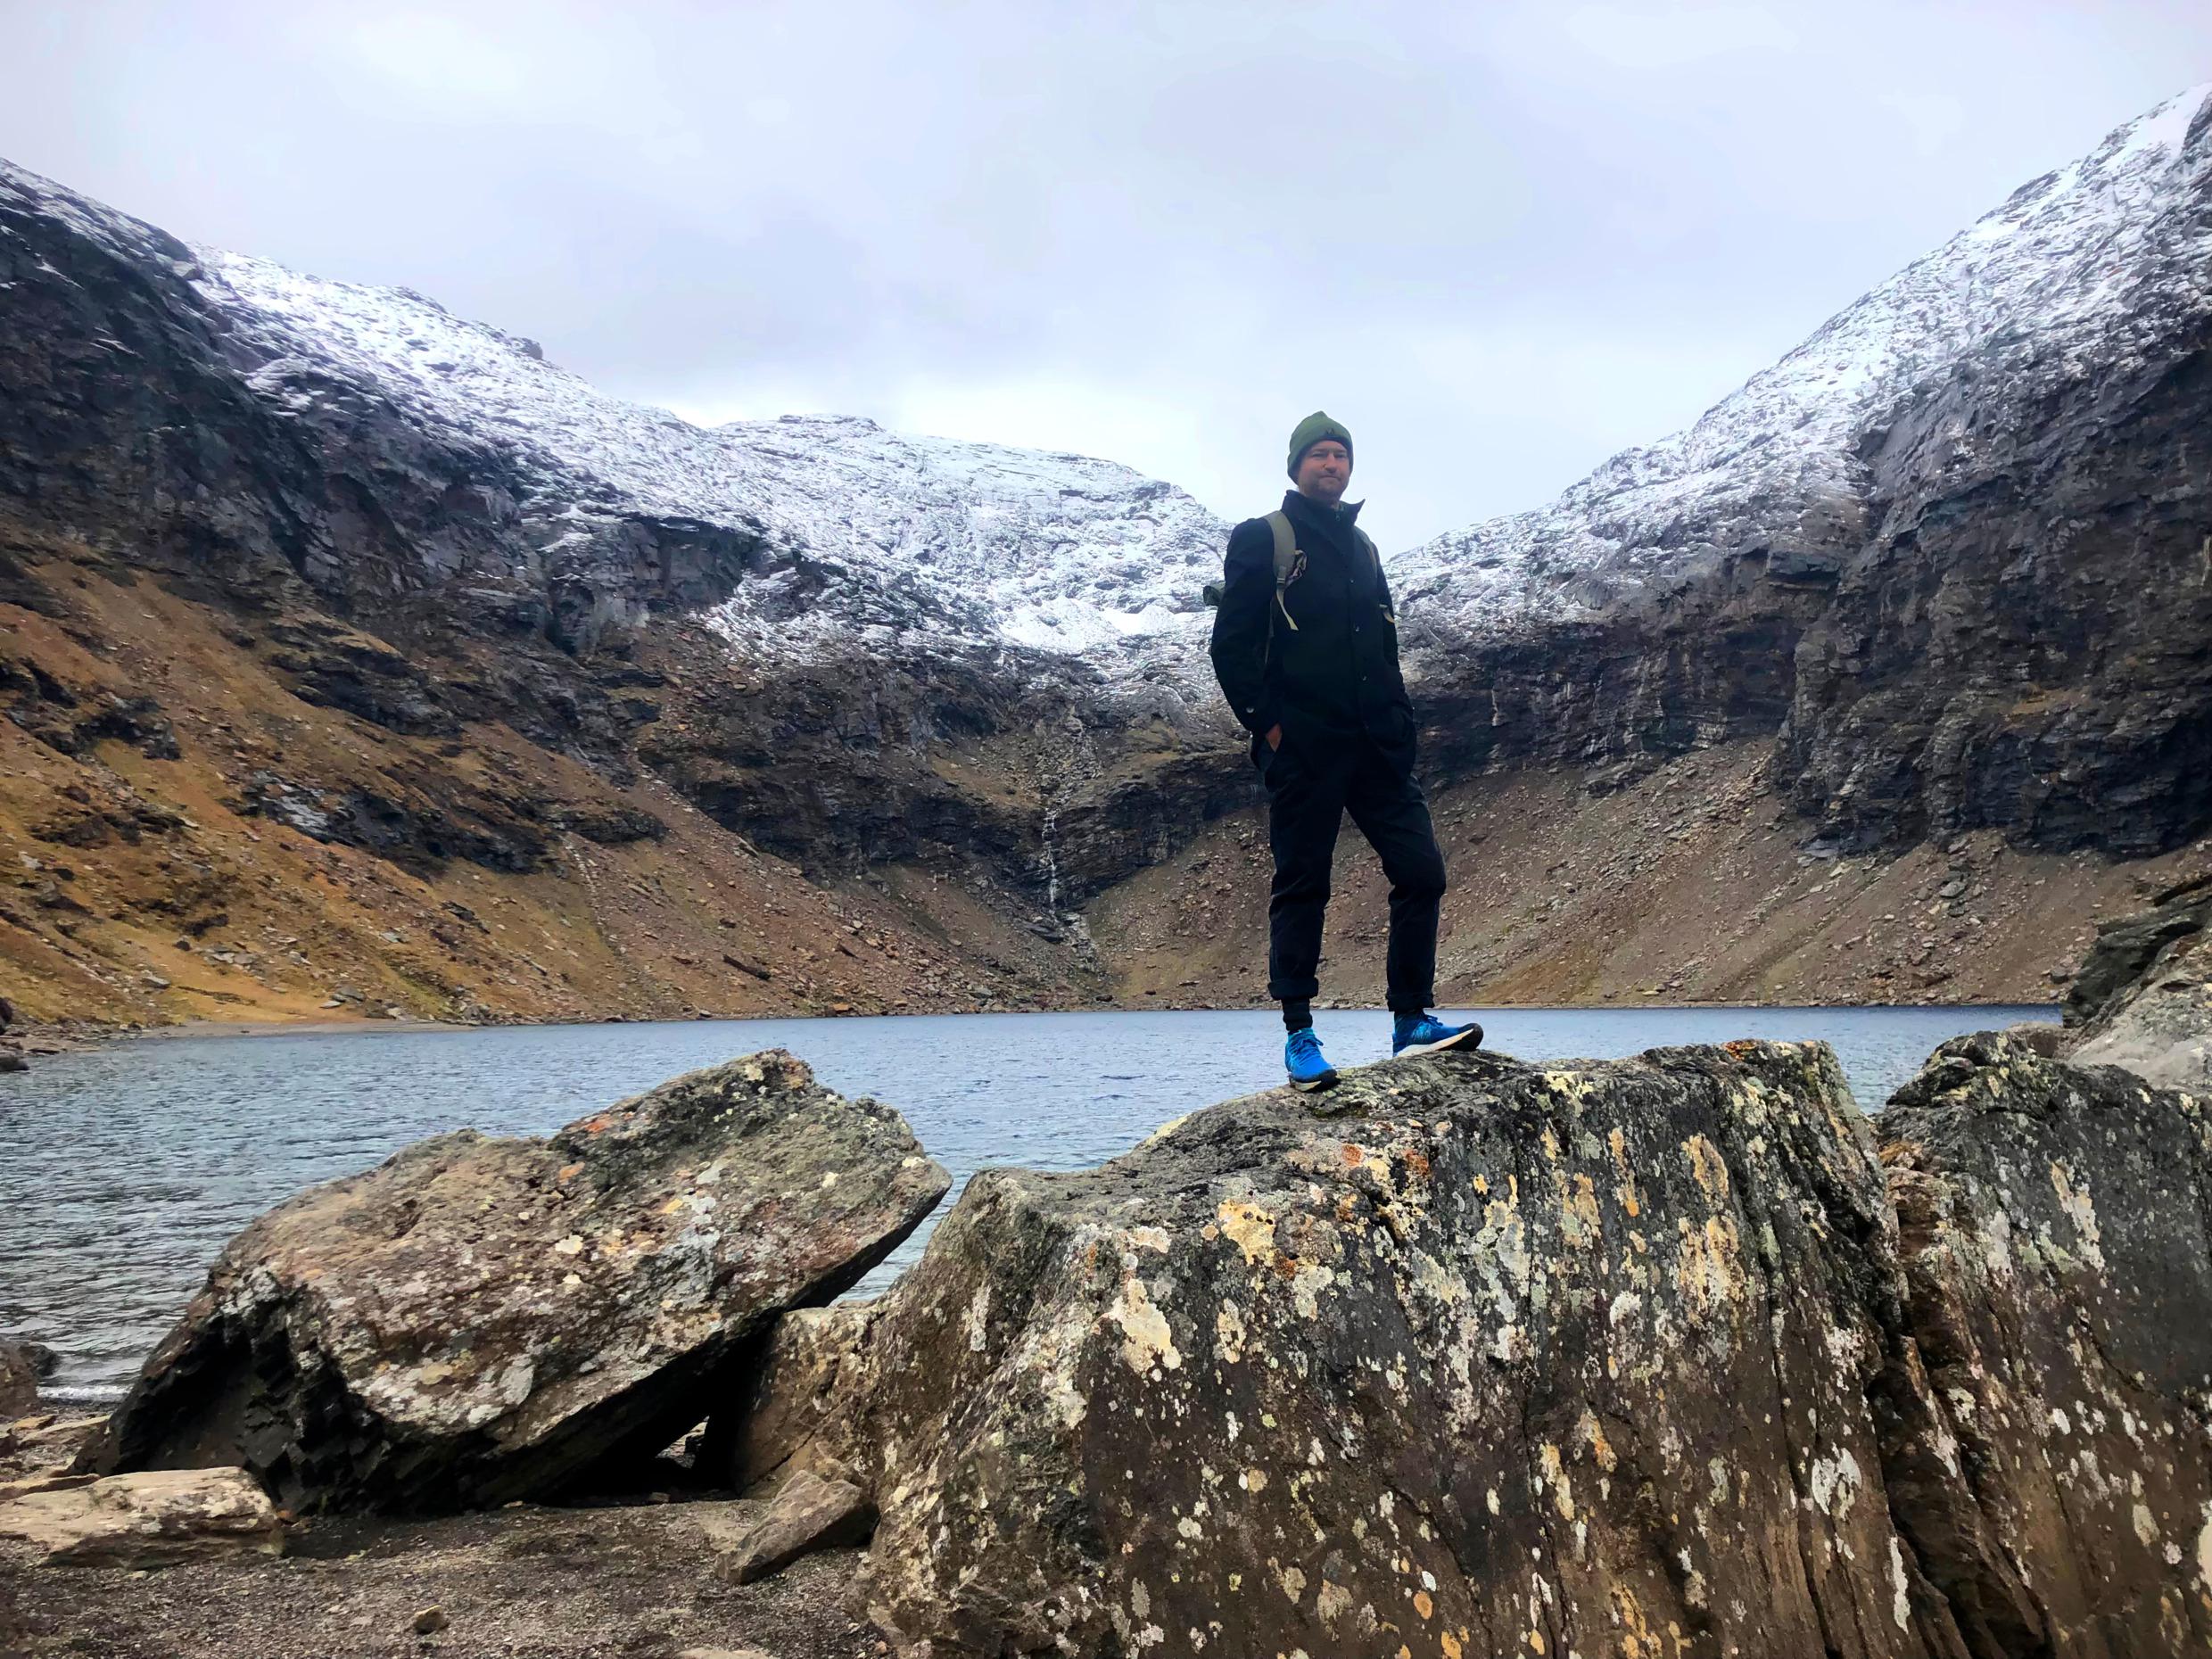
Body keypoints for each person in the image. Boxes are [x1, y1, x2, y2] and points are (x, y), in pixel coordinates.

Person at [1209, 411, 1481, 1090]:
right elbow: (1231, 647)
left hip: (1378, 747)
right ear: (1296, 466)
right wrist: (1270, 728)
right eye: (1321, 456)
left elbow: (1383, 648)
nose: (1333, 466)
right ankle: (1300, 1034)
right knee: (1304, 883)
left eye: (1342, 456)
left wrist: (1401, 724)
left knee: (1422, 872)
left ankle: (1411, 1021)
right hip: (1304, 746)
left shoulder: (1363, 549)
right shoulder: (1263, 539)